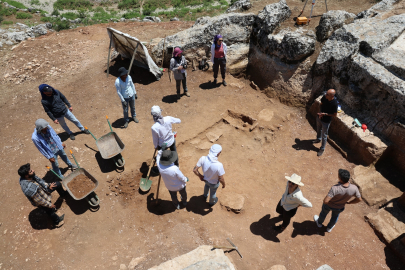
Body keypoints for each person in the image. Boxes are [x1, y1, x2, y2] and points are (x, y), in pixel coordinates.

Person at [314, 89, 338, 156]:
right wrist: (320, 113)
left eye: (328, 94)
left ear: (332, 96)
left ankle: (322, 149)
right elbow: (321, 104)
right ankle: (318, 139)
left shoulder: (334, 103)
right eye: (326, 93)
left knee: (324, 135)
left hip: (326, 121)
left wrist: (325, 114)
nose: (325, 95)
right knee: (318, 129)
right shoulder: (324, 97)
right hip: (319, 117)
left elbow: (335, 115)